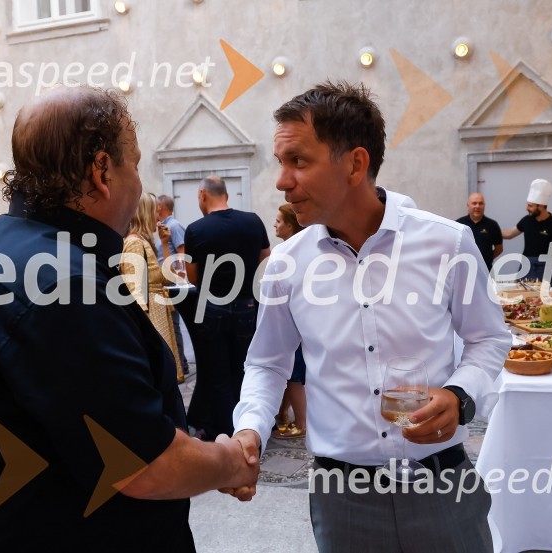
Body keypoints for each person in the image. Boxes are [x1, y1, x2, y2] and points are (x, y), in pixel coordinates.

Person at [0, 86, 257, 551]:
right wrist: (229, 460)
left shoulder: (0, 247)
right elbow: (143, 465)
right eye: (136, 163)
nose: (140, 182)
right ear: (101, 170)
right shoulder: (62, 284)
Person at [229, 81, 510, 552]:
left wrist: (461, 396)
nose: (281, 180)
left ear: (356, 163)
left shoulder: (447, 244)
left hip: (442, 486)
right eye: (281, 163)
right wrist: (250, 428)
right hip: (343, 502)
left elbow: (489, 339)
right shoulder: (286, 263)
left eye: (298, 161)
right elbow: (267, 363)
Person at [184, 175, 270, 440]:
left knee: (216, 372)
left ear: (202, 195)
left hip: (212, 307)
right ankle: (248, 426)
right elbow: (266, 262)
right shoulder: (253, 221)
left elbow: (193, 278)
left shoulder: (196, 229)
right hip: (247, 305)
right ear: (227, 194)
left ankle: (227, 431)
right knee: (243, 370)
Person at [120, 193, 185, 383]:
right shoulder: (134, 243)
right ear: (145, 213)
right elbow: (135, 292)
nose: (159, 218)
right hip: (152, 319)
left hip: (158, 313)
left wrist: (165, 244)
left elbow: (168, 278)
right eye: (156, 212)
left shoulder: (144, 242)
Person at [271, 204, 307, 439]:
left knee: (294, 374)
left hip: (293, 318)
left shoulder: (288, 253)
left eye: (278, 221)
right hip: (289, 317)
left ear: (290, 225)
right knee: (287, 373)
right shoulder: (286, 249)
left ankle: (302, 423)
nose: (275, 224)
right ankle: (282, 415)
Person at [501, 179, 552, 287]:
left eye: (530, 206)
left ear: (541, 206)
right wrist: (491, 232)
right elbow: (510, 234)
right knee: (521, 296)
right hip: (526, 264)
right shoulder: (526, 220)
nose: (527, 208)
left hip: (545, 266)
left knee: (546, 299)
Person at [156, 194, 190, 376]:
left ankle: (181, 364)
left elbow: (182, 253)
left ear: (160, 206)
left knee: (174, 323)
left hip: (173, 284)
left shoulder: (174, 226)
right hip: (167, 282)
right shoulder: (165, 226)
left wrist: (180, 280)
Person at [456, 193, 502, 272]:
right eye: (474, 203)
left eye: (480, 203)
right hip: (463, 270)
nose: (477, 206)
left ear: (484, 206)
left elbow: (499, 248)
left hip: (486, 270)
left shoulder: (492, 225)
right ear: (468, 206)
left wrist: (486, 258)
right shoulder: (458, 224)